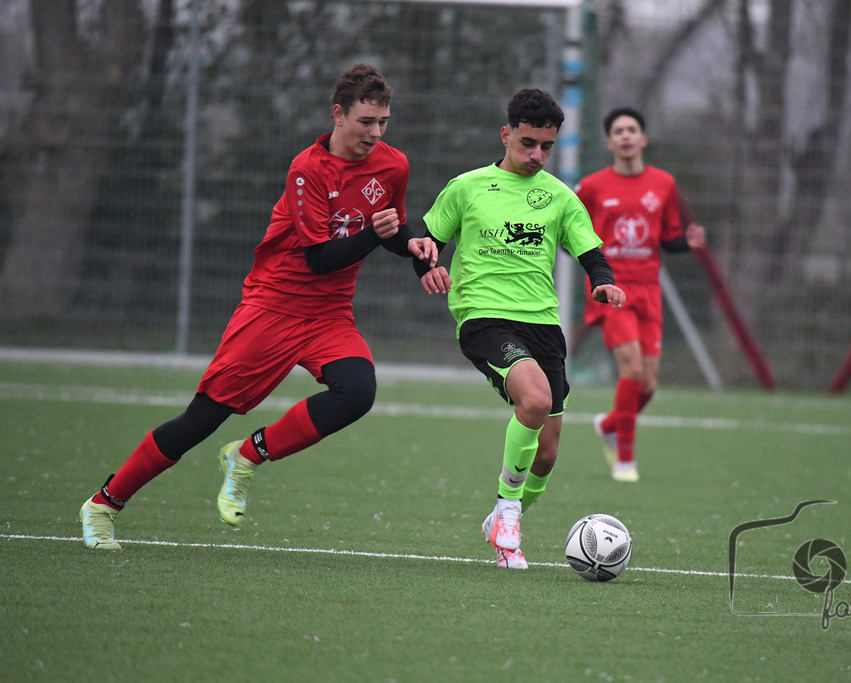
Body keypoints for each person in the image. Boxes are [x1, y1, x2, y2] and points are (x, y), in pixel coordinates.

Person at [79, 64, 438, 550]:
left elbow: (390, 229)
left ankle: (247, 455)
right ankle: (104, 503)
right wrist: (376, 235)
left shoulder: (393, 165)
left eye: (383, 122)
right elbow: (319, 258)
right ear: (338, 114)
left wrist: (418, 254)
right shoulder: (306, 169)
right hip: (272, 308)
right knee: (199, 421)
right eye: (366, 121)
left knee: (357, 392)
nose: (376, 133)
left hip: (329, 313)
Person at [416, 89, 626, 569]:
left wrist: (604, 284)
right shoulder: (467, 187)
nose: (537, 155)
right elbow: (427, 241)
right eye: (528, 143)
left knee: (546, 456)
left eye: (546, 147)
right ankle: (509, 512)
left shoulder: (558, 197)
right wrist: (425, 268)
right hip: (484, 317)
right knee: (535, 400)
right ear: (506, 134)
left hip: (543, 325)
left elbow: (590, 251)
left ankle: (502, 514)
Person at [574, 107, 706, 482]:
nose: (626, 136)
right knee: (630, 368)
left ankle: (609, 424)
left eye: (633, 129)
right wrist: (593, 272)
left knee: (648, 384)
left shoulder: (664, 183)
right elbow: (571, 233)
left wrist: (688, 244)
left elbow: (668, 237)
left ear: (643, 139)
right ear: (609, 142)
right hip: (610, 289)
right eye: (619, 131)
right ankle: (625, 459)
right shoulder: (592, 187)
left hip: (648, 290)